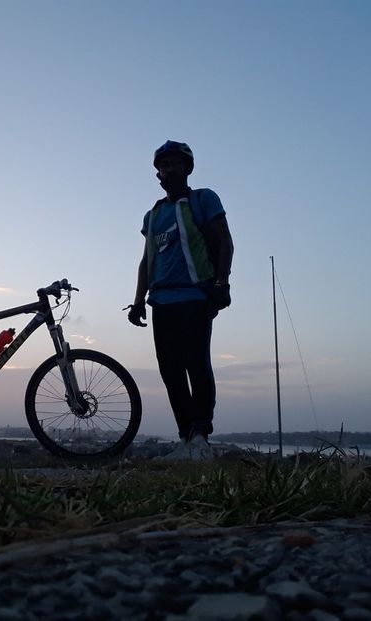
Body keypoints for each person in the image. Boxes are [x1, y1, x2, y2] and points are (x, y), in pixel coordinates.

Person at [127, 140, 234, 461]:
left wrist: (222, 283)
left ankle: (201, 436)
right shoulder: (153, 214)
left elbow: (224, 240)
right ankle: (186, 437)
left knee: (196, 364)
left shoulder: (203, 199)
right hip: (161, 302)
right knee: (170, 371)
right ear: (157, 173)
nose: (169, 169)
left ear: (188, 168)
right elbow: (147, 260)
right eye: (164, 165)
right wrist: (137, 300)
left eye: (176, 163)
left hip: (195, 296)